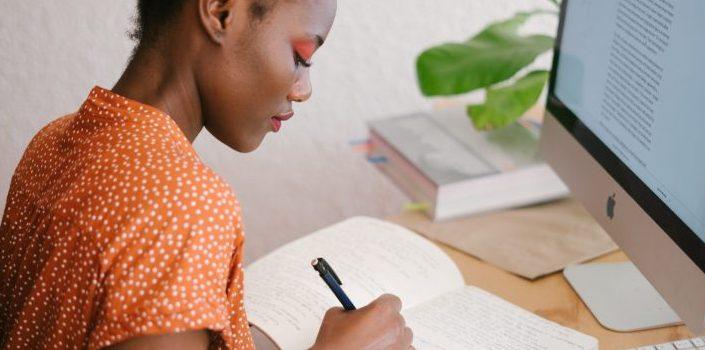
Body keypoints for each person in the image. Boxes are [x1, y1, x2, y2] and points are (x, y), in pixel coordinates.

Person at [0, 0, 414, 349]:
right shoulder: (182, 204)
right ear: (219, 12)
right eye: (301, 57)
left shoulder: (53, 140)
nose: (303, 89)